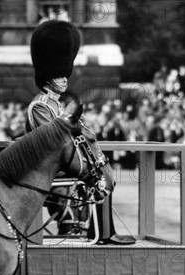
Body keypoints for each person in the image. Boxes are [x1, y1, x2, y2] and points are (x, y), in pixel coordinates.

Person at [26, 20, 134, 244]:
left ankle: (102, 231)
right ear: (48, 77)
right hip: (50, 167)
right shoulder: (40, 106)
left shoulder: (57, 105)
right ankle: (83, 230)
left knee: (102, 173)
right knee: (95, 176)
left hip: (64, 163)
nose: (65, 79)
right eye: (59, 76)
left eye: (65, 75)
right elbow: (51, 140)